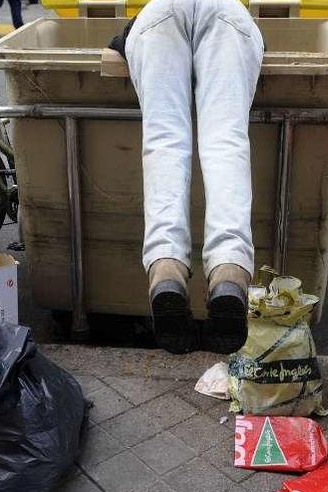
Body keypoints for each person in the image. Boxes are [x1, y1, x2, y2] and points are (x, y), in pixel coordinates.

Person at [110, 0, 264, 355]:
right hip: (228, 13)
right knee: (226, 142)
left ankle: (166, 268)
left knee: (164, 141)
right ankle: (229, 272)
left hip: (159, 14)